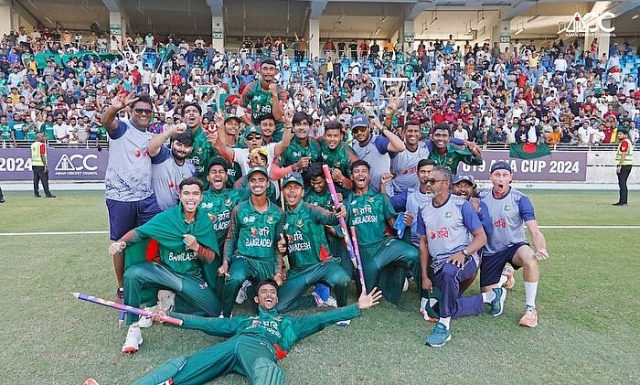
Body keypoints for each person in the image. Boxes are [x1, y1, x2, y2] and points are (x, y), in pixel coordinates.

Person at [99, 280, 383, 385]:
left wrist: (355, 308)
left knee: (265, 370)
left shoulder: (289, 323)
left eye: (273, 292)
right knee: (180, 365)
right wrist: (167, 316)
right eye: (264, 292)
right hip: (235, 345)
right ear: (257, 300)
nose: (269, 294)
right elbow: (207, 324)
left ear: (277, 299)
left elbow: (324, 319)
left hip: (261, 350)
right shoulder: (242, 321)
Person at [109, 178, 222, 353]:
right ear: (180, 195)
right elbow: (140, 232)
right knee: (132, 273)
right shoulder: (167, 217)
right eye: (186, 193)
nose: (190, 198)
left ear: (201, 197)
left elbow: (211, 258)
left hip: (190, 277)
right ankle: (133, 329)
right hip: (164, 272)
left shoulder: (204, 222)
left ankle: (169, 301)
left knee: (214, 310)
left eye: (195, 193)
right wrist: (121, 243)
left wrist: (197, 248)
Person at [416, 166, 505, 348]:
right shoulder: (423, 209)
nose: (428, 185)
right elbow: (423, 244)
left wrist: (464, 252)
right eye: (426, 181)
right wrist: (425, 276)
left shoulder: (460, 205)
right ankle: (491, 297)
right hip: (438, 264)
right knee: (434, 309)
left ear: (446, 184)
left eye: (433, 181)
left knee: (450, 272)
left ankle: (443, 327)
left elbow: (481, 237)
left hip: (466, 258)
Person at [101, 93, 162, 306]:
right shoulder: (122, 129)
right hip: (120, 198)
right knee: (121, 244)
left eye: (147, 111)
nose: (144, 114)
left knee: (152, 239)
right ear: (130, 111)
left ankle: (146, 283)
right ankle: (121, 287)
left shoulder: (151, 137)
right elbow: (106, 122)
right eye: (139, 110)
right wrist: (114, 108)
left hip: (146, 198)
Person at [478, 161, 549, 328]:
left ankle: (530, 309)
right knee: (487, 297)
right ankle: (504, 277)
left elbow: (534, 230)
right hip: (491, 251)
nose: (501, 178)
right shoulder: (481, 197)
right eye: (497, 175)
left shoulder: (520, 199)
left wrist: (540, 248)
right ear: (490, 177)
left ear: (511, 177)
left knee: (530, 258)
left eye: (505, 175)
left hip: (514, 246)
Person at [346, 160, 420, 305]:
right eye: (356, 171)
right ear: (351, 177)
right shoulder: (347, 202)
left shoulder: (381, 198)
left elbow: (394, 225)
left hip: (384, 245)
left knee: (415, 255)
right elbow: (341, 231)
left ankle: (425, 292)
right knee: (368, 292)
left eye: (363, 171)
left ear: (369, 175)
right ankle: (387, 282)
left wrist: (405, 223)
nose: (360, 174)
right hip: (364, 250)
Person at [275, 172, 350, 312]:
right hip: (299, 270)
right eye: (288, 187)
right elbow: (282, 248)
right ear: (283, 191)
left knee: (342, 280)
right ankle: (317, 299)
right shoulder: (281, 218)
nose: (291, 191)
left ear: (302, 192)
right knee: (279, 306)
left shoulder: (311, 210)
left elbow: (330, 218)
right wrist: (279, 269)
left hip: (322, 265)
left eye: (296, 187)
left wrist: (338, 213)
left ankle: (343, 310)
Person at [219, 166, 285, 317]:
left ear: (268, 183)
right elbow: (231, 237)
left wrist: (278, 272)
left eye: (261, 180)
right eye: (253, 181)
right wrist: (226, 262)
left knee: (267, 310)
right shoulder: (239, 209)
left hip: (266, 261)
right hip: (244, 258)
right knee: (234, 278)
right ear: (248, 184)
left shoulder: (278, 212)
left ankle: (249, 288)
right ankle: (225, 313)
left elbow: (278, 245)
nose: (257, 184)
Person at [351, 114, 405, 193]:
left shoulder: (378, 141)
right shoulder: (355, 145)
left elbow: (401, 147)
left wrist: (381, 127)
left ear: (369, 128)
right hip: (366, 192)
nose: (359, 133)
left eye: (362, 129)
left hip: (384, 190)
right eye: (356, 130)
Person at [148, 124, 195, 211]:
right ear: (172, 143)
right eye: (179, 144)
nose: (182, 149)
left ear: (191, 148)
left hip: (176, 215)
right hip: (154, 212)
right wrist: (170, 132)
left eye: (187, 146)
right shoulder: (162, 155)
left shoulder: (191, 168)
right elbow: (151, 147)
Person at [30, 133, 55, 198]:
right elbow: (42, 155)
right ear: (38, 138)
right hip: (41, 164)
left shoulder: (33, 145)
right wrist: (45, 165)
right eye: (42, 137)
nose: (43, 138)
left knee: (36, 180)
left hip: (34, 164)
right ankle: (47, 193)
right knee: (44, 180)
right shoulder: (41, 145)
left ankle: (36, 193)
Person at [613, 128, 633, 206]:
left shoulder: (624, 142)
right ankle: (622, 200)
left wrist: (619, 165)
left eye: (620, 134)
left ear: (625, 135)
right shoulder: (627, 142)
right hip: (627, 164)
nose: (618, 135)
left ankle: (623, 201)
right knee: (622, 183)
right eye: (618, 134)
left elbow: (623, 154)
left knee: (622, 183)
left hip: (624, 165)